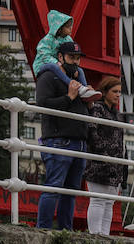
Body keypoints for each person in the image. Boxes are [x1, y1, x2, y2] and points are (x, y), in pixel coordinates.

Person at [34, 41, 91, 230]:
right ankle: (43, 229)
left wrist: (88, 103)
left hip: (79, 141)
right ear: (60, 57)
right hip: (59, 140)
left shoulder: (78, 78)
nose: (75, 61)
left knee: (70, 192)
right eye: (71, 57)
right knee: (53, 188)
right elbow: (42, 104)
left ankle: (66, 231)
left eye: (77, 58)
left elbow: (80, 109)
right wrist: (69, 97)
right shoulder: (48, 75)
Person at [83, 76, 125, 236]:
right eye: (115, 91)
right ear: (105, 91)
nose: (118, 95)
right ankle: (95, 234)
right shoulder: (97, 109)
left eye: (119, 92)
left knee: (109, 203)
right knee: (98, 200)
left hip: (114, 164)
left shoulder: (117, 114)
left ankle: (104, 234)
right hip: (99, 162)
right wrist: (103, 154)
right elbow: (92, 132)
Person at [31, 10, 99, 102]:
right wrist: (58, 64)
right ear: (59, 28)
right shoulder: (47, 40)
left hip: (59, 63)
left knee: (80, 70)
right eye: (67, 27)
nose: (71, 28)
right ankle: (75, 85)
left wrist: (74, 69)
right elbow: (44, 55)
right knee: (54, 66)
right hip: (43, 64)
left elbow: (71, 50)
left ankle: (85, 89)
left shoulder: (68, 39)